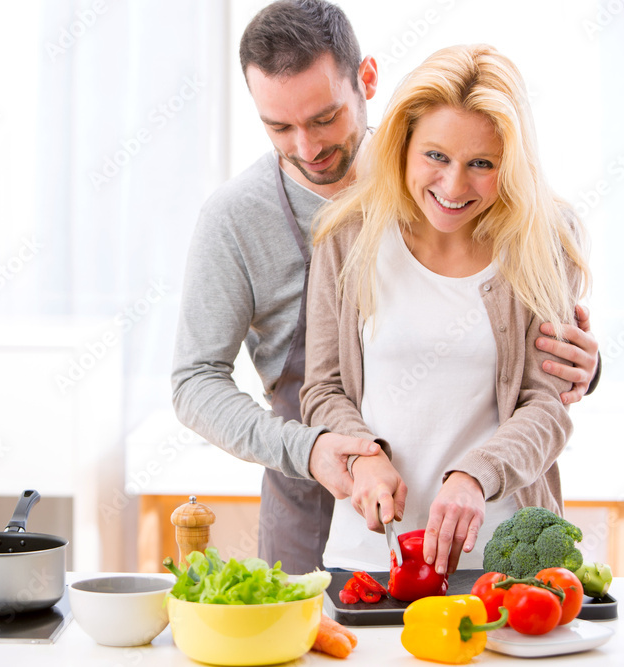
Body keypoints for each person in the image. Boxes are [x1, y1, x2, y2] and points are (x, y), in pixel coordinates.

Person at [172, 0, 600, 574]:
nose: (306, 147)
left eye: (324, 118)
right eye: (279, 126)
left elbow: (529, 382)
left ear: (367, 82)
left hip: (480, 524)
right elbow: (197, 380)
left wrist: (581, 368)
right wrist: (313, 448)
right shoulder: (243, 220)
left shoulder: (446, 170)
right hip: (313, 507)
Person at [302, 43, 591, 576]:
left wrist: (475, 476)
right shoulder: (348, 237)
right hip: (370, 556)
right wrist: (363, 455)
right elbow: (323, 388)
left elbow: (547, 405)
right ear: (404, 144)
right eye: (436, 156)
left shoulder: (545, 241)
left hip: (503, 562)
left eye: (482, 164)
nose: (454, 186)